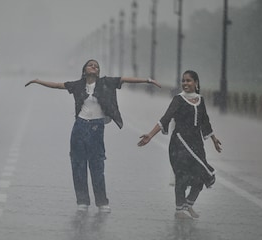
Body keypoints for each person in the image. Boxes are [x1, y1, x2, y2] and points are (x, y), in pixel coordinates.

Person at [25, 59, 161, 213]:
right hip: (80, 127)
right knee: (78, 165)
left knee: (97, 165)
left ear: (98, 72)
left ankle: (102, 202)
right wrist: (38, 81)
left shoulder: (106, 83)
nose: (94, 67)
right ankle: (82, 202)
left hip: (97, 127)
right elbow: (57, 85)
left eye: (96, 66)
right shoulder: (77, 85)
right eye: (91, 65)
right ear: (84, 70)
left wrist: (148, 80)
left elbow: (125, 79)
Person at [137, 70, 222, 219]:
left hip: (197, 144)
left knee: (200, 177)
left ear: (196, 83)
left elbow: (205, 122)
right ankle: (179, 210)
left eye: (189, 81)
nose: (185, 83)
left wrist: (214, 139)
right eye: (183, 81)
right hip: (180, 143)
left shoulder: (200, 100)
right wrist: (150, 135)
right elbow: (165, 118)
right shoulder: (178, 100)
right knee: (182, 176)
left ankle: (188, 204)